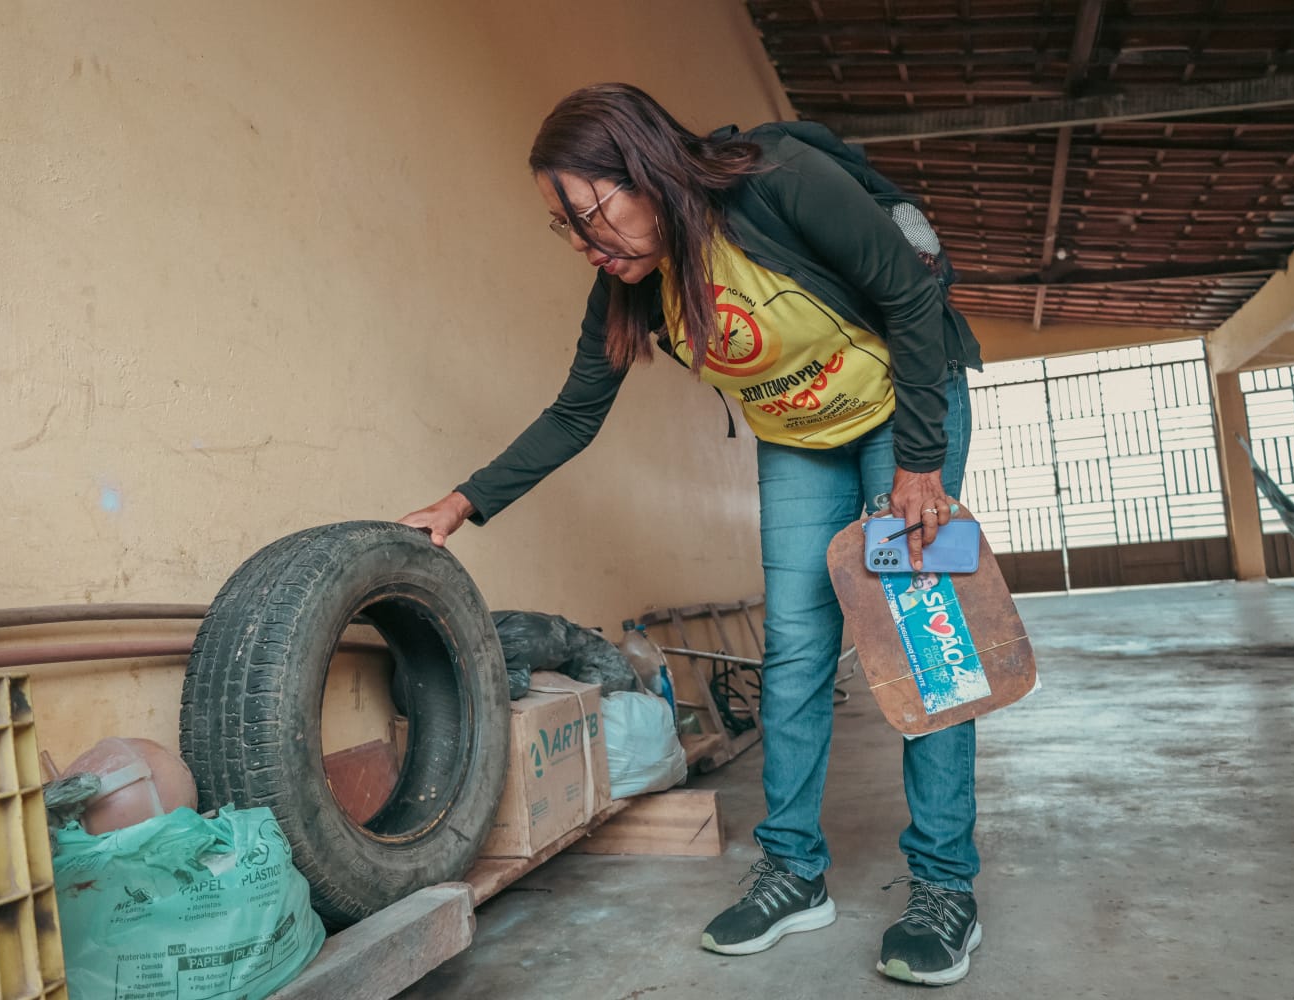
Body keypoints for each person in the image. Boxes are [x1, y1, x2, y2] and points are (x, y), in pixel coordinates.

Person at [400, 83, 984, 986]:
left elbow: (909, 301)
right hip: (801, 442)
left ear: (648, 169)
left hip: (910, 411)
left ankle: (946, 884)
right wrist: (461, 502)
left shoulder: (780, 183)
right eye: (568, 229)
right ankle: (793, 871)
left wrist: (918, 469)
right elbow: (573, 414)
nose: (591, 244)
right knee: (793, 648)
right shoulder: (625, 290)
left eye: (595, 214)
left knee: (922, 639)